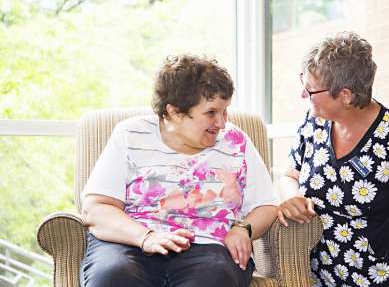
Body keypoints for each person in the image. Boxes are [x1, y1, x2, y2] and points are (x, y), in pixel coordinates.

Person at [276, 31, 389, 287]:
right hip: (325, 278)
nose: (303, 95)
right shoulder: (315, 120)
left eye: (310, 89)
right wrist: (291, 197)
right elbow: (290, 174)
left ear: (346, 95)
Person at [80, 54, 278, 287]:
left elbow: (266, 204)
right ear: (174, 112)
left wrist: (242, 229)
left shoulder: (235, 141)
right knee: (113, 274)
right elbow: (96, 208)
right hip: (131, 243)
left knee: (214, 278)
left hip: (210, 248)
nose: (223, 123)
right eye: (211, 112)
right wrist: (146, 238)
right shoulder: (130, 135)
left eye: (225, 111)